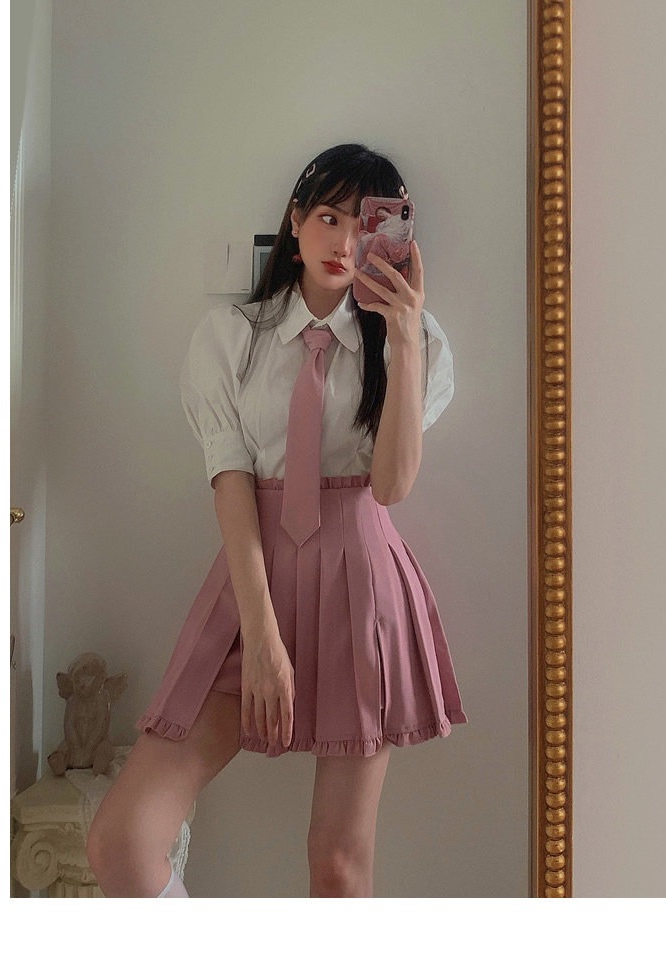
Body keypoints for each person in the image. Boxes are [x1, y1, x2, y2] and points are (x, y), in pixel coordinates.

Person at [84, 143, 464, 901]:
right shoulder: (232, 338)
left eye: (366, 224)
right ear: (295, 220)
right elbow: (231, 486)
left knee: (338, 867)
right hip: (251, 589)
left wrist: (403, 337)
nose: (344, 241)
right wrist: (261, 639)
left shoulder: (420, 344)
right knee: (122, 843)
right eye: (328, 217)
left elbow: (391, 486)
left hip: (362, 592)